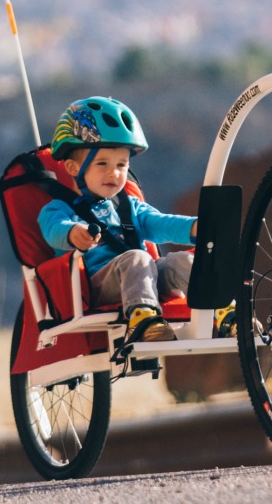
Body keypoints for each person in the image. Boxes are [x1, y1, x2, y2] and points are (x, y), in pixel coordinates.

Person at [39, 95, 197, 342]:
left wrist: (196, 227)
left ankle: (224, 311)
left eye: (121, 164)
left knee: (181, 260)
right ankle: (144, 323)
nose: (114, 172)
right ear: (72, 169)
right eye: (102, 163)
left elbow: (161, 223)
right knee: (136, 257)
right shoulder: (59, 208)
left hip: (144, 277)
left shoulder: (129, 205)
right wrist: (72, 233)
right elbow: (53, 229)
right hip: (97, 286)